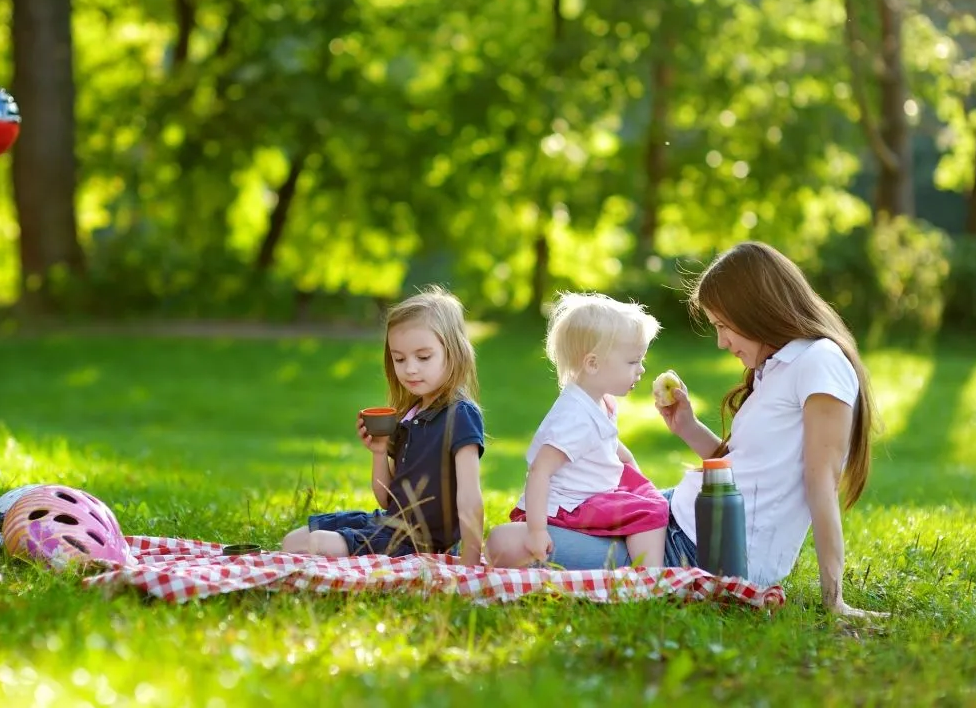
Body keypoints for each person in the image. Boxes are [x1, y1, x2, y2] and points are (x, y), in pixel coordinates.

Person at [487, 242, 886, 619]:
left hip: (692, 549)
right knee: (543, 520)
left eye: (724, 326)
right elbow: (740, 471)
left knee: (505, 543)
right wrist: (688, 427)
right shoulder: (776, 368)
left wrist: (834, 599)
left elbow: (821, 480)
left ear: (758, 309)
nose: (721, 342)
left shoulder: (819, 362)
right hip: (676, 516)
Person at [280, 286, 485, 565]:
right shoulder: (409, 416)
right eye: (399, 358)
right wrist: (378, 452)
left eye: (423, 357)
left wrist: (470, 565)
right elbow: (387, 500)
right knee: (292, 541)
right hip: (388, 524)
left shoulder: (460, 415)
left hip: (415, 541)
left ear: (455, 353)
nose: (409, 368)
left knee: (312, 545)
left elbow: (470, 497)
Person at [485, 293, 668, 569]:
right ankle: (649, 574)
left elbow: (608, 442)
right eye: (633, 362)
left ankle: (639, 561)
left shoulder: (600, 400)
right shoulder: (574, 417)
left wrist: (630, 464)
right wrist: (536, 531)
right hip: (570, 506)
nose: (641, 369)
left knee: (646, 497)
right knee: (652, 510)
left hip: (592, 491)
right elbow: (540, 470)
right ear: (593, 364)